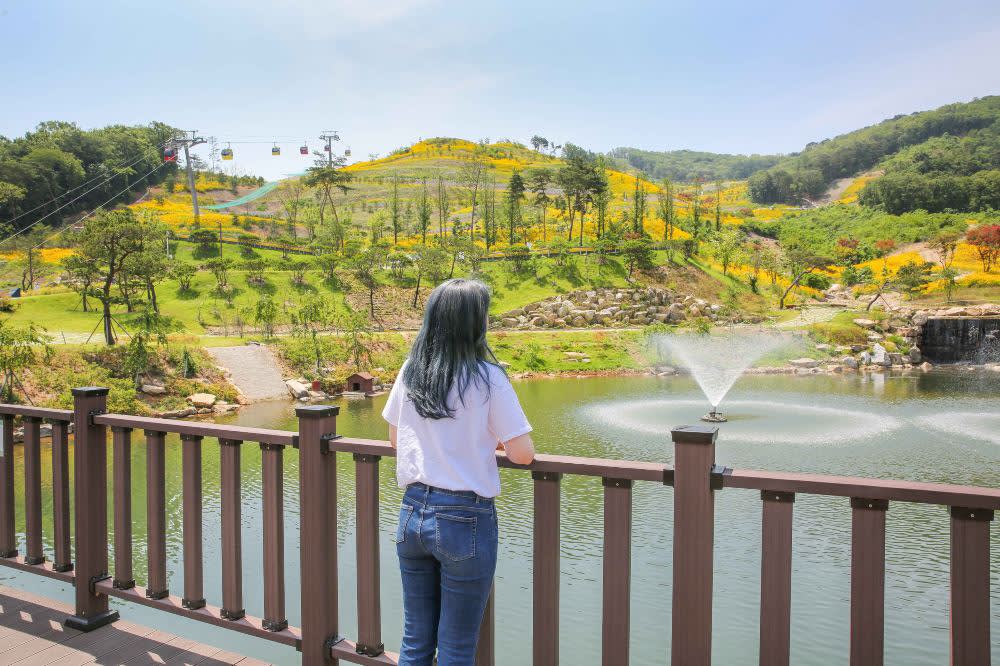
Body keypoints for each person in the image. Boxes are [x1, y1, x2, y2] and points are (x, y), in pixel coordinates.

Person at [382, 278, 535, 666]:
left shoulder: (412, 371)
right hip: (464, 518)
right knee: (456, 648)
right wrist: (485, 441)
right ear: (475, 323)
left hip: (412, 512)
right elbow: (522, 453)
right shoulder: (488, 378)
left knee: (415, 642)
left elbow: (397, 439)